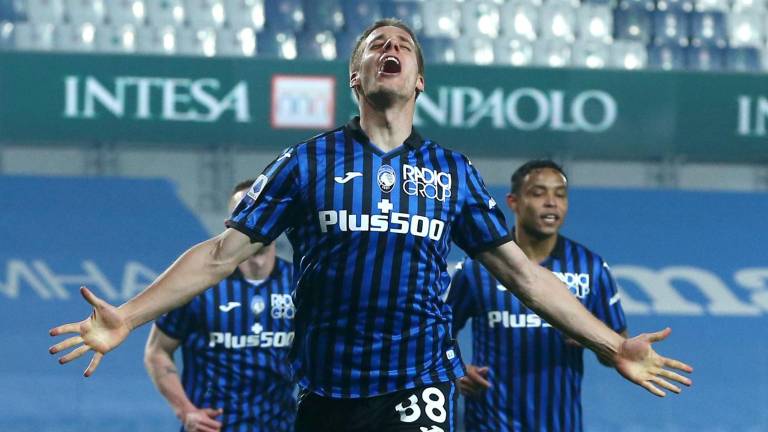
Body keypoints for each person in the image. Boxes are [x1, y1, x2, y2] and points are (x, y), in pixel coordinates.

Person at [49, 19, 692, 432]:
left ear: (420, 81)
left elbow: (523, 276)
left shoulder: (450, 171)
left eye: (403, 47)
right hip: (326, 392)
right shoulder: (306, 163)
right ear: (354, 77)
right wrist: (126, 316)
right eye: (376, 45)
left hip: (419, 384)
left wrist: (613, 345)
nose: (391, 49)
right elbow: (220, 255)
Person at [447, 160, 628, 431]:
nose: (551, 202)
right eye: (538, 193)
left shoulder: (590, 268)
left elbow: (617, 349)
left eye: (560, 194)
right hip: (489, 423)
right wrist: (456, 369)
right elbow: (437, 331)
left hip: (560, 424)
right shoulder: (478, 268)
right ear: (513, 202)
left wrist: (594, 339)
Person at [143, 179, 296, 432]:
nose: (254, 220)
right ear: (230, 224)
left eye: (262, 211)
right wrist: (185, 410)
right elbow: (157, 352)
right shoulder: (200, 285)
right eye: (244, 212)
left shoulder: (300, 282)